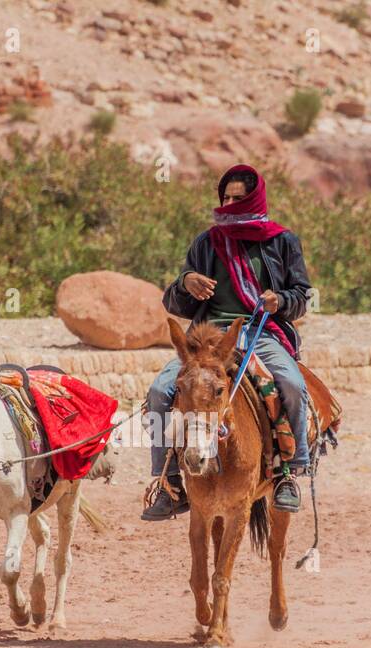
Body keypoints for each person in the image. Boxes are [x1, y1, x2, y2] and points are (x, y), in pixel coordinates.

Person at [141, 163, 313, 520]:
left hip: (261, 331)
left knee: (292, 385)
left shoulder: (281, 240)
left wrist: (279, 301)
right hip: (208, 339)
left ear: (256, 198)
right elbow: (178, 304)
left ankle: (291, 473)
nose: (231, 203)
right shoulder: (207, 242)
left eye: (239, 198)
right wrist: (185, 282)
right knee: (159, 392)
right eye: (227, 197)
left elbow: (302, 295)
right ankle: (168, 483)